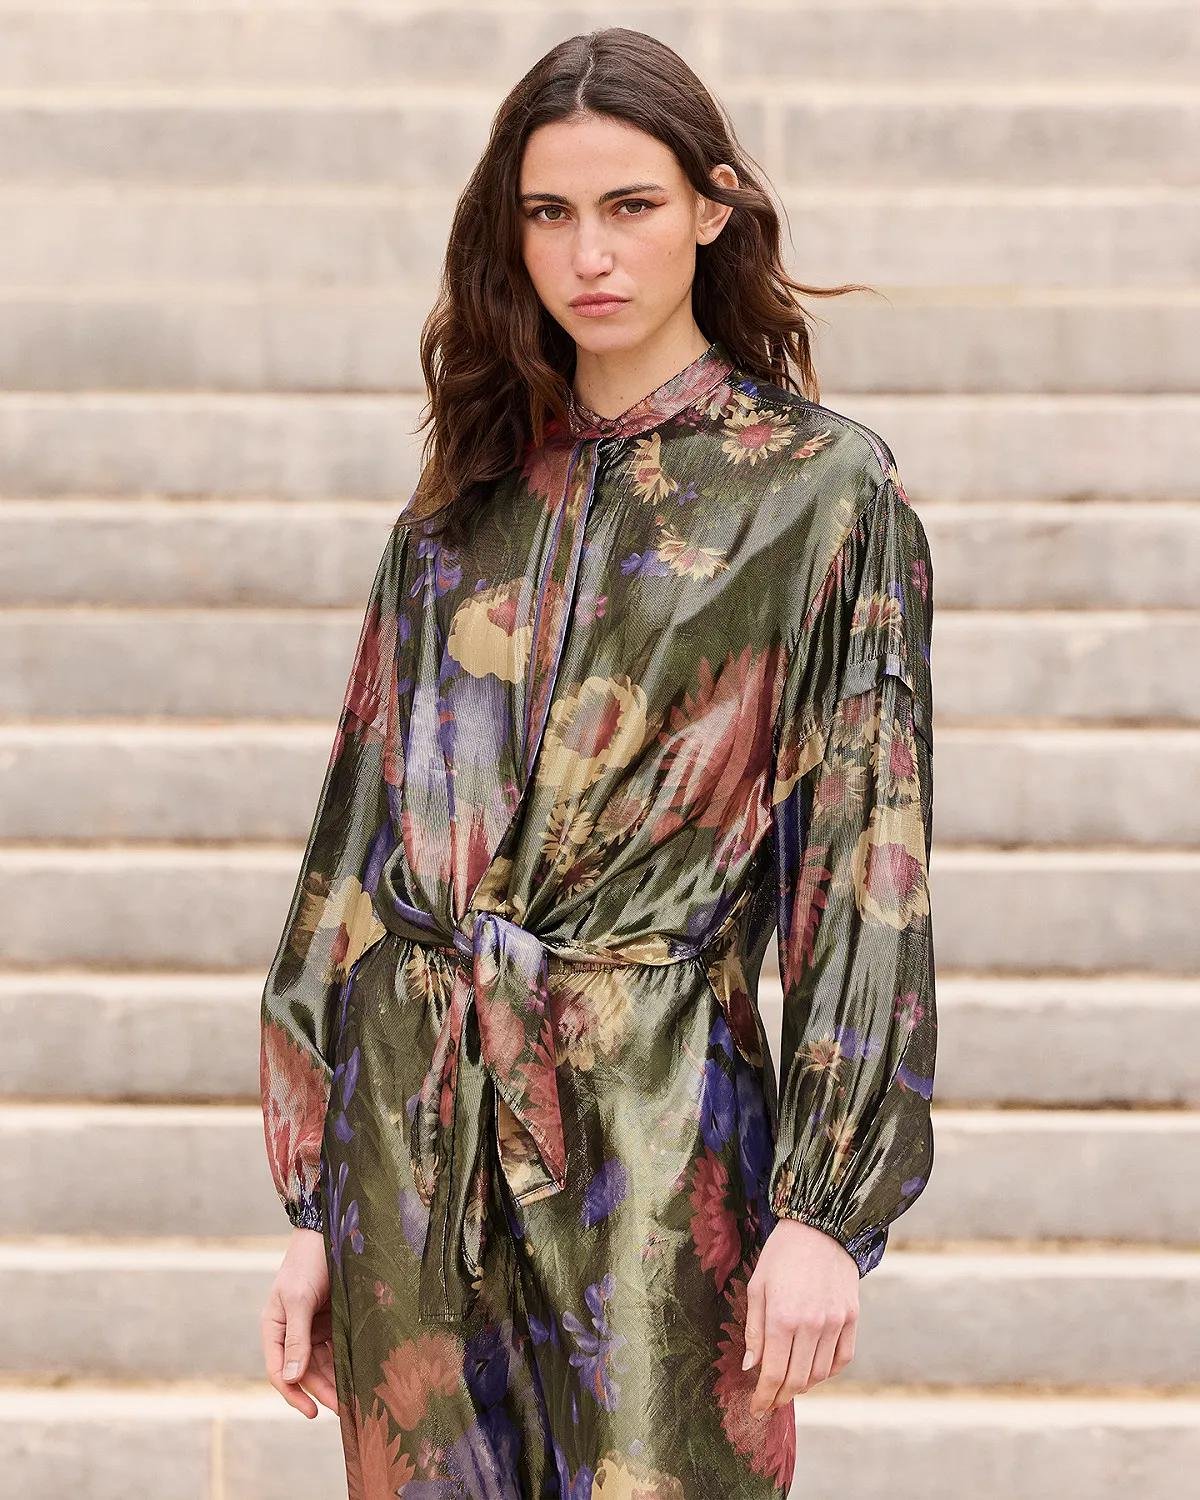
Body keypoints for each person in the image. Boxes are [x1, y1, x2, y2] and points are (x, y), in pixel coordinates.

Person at [257, 26, 936, 1500]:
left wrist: (826, 1206)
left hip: (660, 1119)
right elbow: (358, 843)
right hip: (414, 1125)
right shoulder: (459, 505)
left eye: (631, 205)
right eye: (549, 214)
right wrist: (315, 1206)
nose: (590, 255)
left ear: (712, 209)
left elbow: (861, 856)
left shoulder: (820, 491)